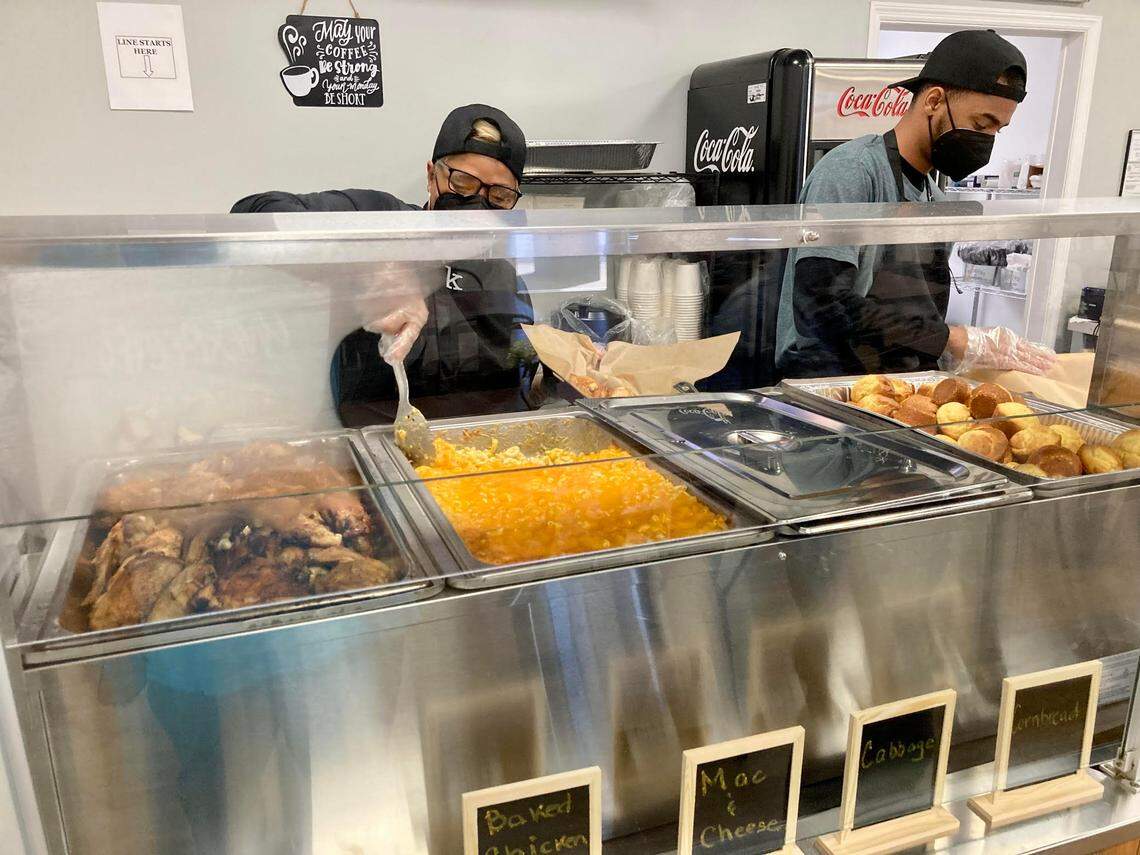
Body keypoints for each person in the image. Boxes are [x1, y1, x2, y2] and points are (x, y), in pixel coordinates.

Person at [776, 30, 1056, 379]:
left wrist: (952, 351)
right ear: (934, 101)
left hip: (901, 382)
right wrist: (950, 339)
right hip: (830, 380)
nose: (985, 141)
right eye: (981, 124)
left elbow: (916, 318)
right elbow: (821, 306)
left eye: (996, 130)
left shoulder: (933, 200)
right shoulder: (853, 172)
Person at [232, 104, 537, 425]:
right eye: (462, 183)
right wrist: (372, 267)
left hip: (478, 450)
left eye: (500, 196)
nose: (478, 205)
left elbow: (515, 374)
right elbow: (253, 213)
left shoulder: (502, 273)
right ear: (432, 175)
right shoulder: (378, 216)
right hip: (374, 444)